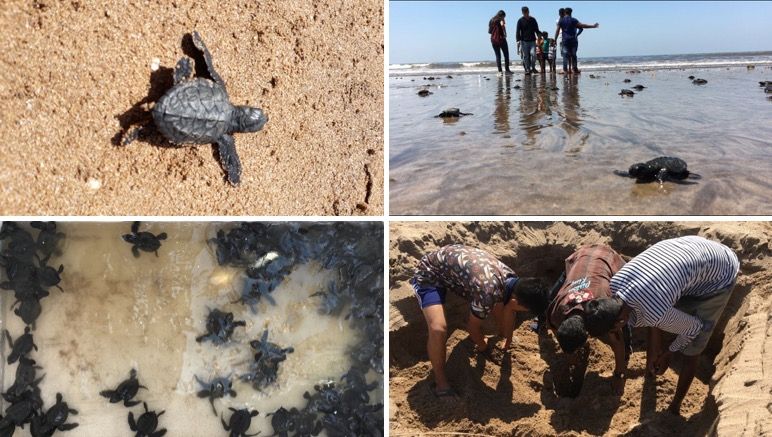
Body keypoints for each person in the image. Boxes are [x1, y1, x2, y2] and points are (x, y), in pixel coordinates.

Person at [584, 236, 740, 415]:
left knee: (692, 348)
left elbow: (694, 328)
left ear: (620, 322)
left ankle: (674, 408)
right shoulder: (617, 283)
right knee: (659, 314)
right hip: (689, 250)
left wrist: (668, 353)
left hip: (719, 274)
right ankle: (651, 371)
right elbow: (651, 316)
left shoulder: (655, 310)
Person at [411, 244, 549, 397]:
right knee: (438, 329)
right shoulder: (488, 293)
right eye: (526, 309)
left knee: (498, 304)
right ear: (517, 300)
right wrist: (484, 348)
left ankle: (499, 335)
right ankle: (441, 384)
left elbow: (509, 307)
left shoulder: (512, 279)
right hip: (430, 273)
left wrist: (507, 338)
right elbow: (472, 328)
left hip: (453, 262)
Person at [546, 244, 630, 395]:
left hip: (608, 259)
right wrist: (570, 354)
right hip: (581, 256)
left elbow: (618, 342)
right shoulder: (557, 309)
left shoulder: (602, 311)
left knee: (623, 323)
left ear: (587, 334)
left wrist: (619, 375)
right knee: (556, 289)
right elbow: (553, 326)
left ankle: (629, 350)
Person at [554, 7, 598, 74]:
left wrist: (555, 39)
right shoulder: (573, 20)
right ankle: (574, 69)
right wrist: (593, 26)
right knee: (573, 55)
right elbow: (582, 26)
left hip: (565, 40)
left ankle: (565, 70)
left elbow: (557, 31)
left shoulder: (561, 21)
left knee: (565, 55)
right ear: (571, 13)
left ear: (565, 12)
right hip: (573, 40)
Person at [516, 6, 541, 75]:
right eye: (524, 12)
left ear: (528, 11)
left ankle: (533, 67)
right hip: (524, 41)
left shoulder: (533, 20)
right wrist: (518, 40)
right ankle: (527, 69)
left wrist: (539, 35)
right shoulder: (520, 20)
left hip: (532, 40)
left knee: (534, 54)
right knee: (526, 56)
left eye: (526, 12)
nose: (525, 13)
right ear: (522, 13)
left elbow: (536, 29)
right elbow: (518, 31)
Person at [489, 10, 513, 75]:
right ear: (502, 16)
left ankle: (500, 71)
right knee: (506, 55)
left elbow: (489, 31)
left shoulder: (491, 20)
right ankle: (507, 70)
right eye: (504, 17)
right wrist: (504, 32)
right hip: (502, 40)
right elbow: (503, 28)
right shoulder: (501, 20)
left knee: (498, 56)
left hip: (494, 40)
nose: (504, 18)